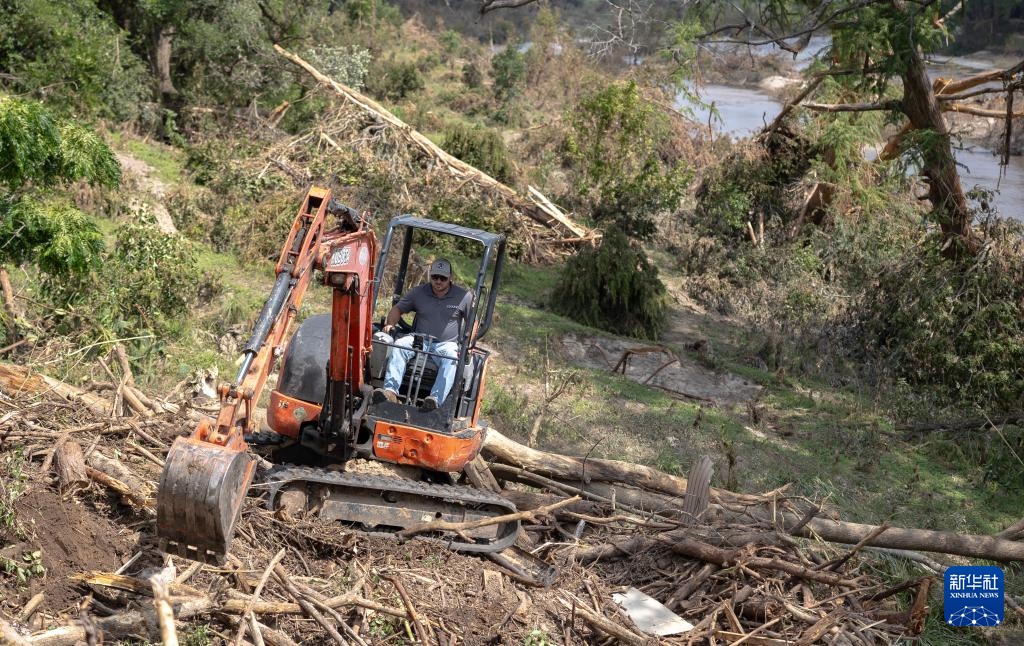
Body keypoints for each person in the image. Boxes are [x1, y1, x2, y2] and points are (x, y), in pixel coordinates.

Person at [373, 259, 473, 410]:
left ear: (450, 278)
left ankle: (434, 399)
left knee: (452, 357)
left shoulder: (464, 296)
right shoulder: (419, 292)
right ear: (430, 276)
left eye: (443, 278)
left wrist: (469, 342)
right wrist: (390, 324)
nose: (438, 281)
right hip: (419, 339)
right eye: (435, 277)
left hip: (446, 344)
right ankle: (390, 392)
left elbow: (473, 321)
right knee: (399, 345)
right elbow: (397, 309)